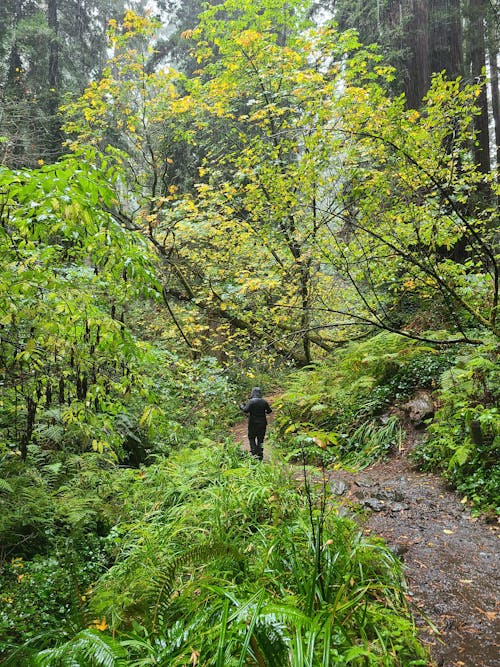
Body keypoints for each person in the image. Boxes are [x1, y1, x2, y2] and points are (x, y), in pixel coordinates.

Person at [240, 387, 272, 461]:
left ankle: (254, 452)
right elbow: (269, 411)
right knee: (260, 439)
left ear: (252, 393)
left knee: (251, 437)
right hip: (262, 423)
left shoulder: (251, 401)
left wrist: (242, 406)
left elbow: (245, 410)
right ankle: (260, 454)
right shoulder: (264, 402)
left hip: (253, 423)